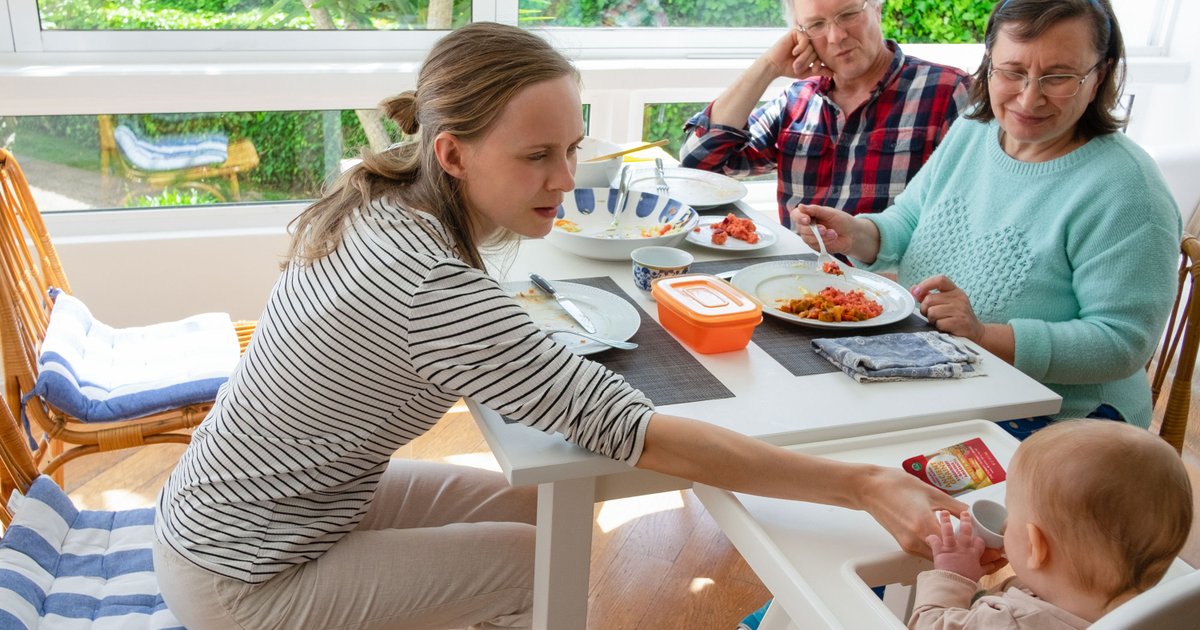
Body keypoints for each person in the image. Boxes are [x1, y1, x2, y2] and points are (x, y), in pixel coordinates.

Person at [152, 22, 964, 630]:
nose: (567, 180)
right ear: (453, 153)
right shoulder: (427, 281)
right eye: (537, 156)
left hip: (272, 503)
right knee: (539, 566)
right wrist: (862, 482)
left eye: (571, 149)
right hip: (241, 570)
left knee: (550, 511)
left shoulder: (383, 198)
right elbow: (635, 433)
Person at [791, 0, 1181, 435]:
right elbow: (909, 220)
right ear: (989, 66)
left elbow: (1121, 343)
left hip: (1066, 416)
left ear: (1099, 77)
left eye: (1059, 77)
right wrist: (855, 234)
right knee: (801, 414)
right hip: (942, 372)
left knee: (854, 465)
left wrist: (981, 335)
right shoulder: (974, 130)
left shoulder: (1128, 189)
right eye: (1012, 72)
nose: (1029, 97)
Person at [679, 0, 971, 226]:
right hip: (792, 290)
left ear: (877, 8)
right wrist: (768, 66)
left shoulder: (947, 91)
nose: (836, 36)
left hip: (891, 293)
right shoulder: (798, 100)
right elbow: (699, 164)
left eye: (848, 14)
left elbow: (970, 213)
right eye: (816, 24)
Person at [909, 419, 1193, 628]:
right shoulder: (1154, 616)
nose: (1005, 524)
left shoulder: (1012, 623)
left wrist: (953, 577)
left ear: (1037, 548)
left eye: (1011, 513)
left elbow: (929, 624)